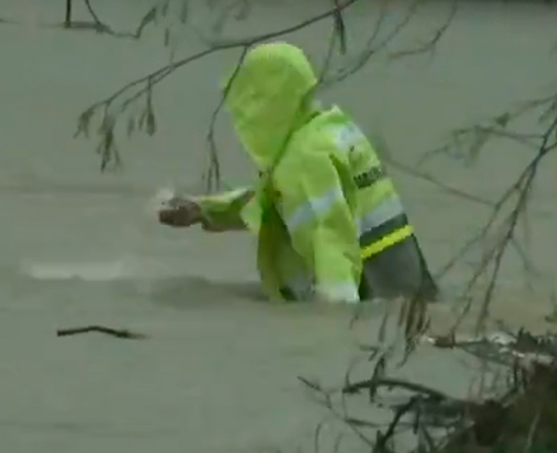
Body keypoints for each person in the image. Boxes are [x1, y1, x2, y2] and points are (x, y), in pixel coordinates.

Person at [158, 42, 438, 304]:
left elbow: (329, 236)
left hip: (373, 289)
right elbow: (281, 200)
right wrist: (205, 209)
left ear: (268, 101)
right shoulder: (329, 129)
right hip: (407, 287)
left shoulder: (305, 157)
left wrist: (334, 321)